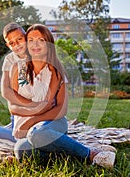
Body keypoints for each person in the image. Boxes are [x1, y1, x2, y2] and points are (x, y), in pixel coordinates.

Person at [8, 24, 116, 168]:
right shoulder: (17, 68)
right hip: (25, 130)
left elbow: (60, 110)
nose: (35, 44)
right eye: (31, 39)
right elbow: (12, 106)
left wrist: (31, 120)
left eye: (41, 39)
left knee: (37, 134)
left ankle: (92, 154)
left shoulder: (56, 72)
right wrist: (40, 108)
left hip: (53, 123)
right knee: (22, 150)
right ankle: (71, 152)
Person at [0, 22, 54, 142]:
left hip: (42, 107)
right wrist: (32, 105)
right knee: (21, 139)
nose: (17, 45)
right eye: (12, 43)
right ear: (8, 45)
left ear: (26, 37)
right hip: (21, 110)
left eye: (19, 39)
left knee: (41, 134)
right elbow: (6, 91)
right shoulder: (10, 60)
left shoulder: (36, 52)